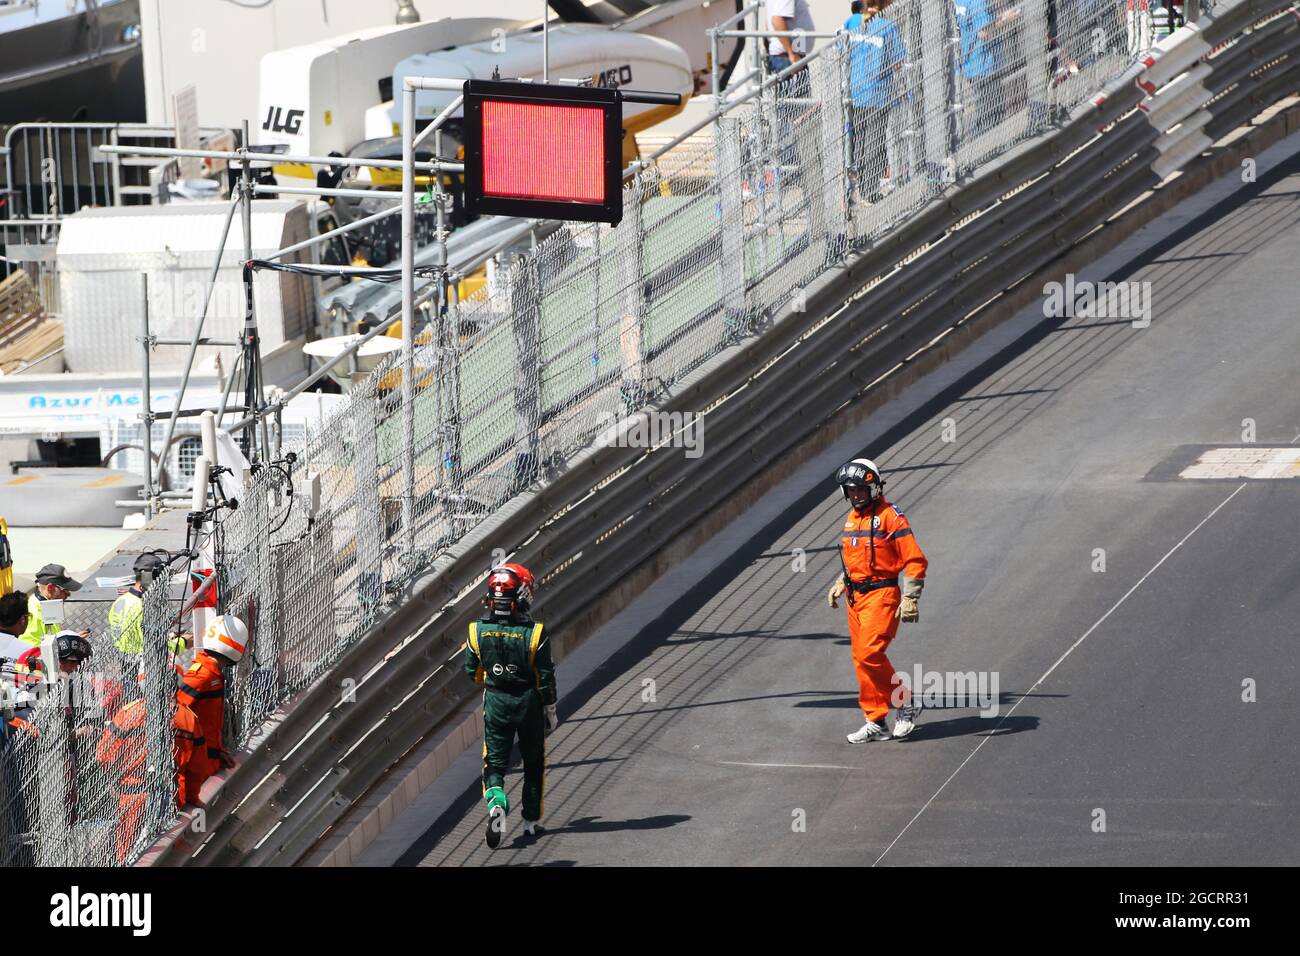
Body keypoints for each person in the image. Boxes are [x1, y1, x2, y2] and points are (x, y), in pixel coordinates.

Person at [827, 458, 928, 742]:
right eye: (851, 490)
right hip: (855, 598)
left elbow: (915, 559)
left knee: (870, 654)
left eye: (861, 489)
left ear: (874, 488)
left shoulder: (890, 516)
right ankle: (876, 721)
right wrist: (839, 581)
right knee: (861, 660)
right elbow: (854, 559)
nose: (856, 495)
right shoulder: (851, 519)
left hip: (881, 596)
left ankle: (906, 702)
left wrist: (910, 596)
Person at [464, 564, 558, 849]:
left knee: (493, 762)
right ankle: (530, 821)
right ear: (520, 597)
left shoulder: (475, 631)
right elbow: (545, 678)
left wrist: (495, 678)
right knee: (533, 760)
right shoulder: (535, 633)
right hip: (528, 702)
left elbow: (473, 673)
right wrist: (551, 711)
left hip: (495, 700)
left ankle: (497, 800)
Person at [95, 671, 203, 863]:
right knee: (172, 853)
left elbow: (103, 755)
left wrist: (112, 781)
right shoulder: (187, 716)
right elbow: (197, 767)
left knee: (128, 854)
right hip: (175, 794)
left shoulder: (129, 713)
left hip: (132, 793)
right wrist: (192, 798)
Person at [844, 0, 908, 203]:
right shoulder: (888, 27)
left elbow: (841, 52)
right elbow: (898, 62)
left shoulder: (851, 23)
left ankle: (858, 187)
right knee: (875, 142)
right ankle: (870, 191)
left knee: (859, 142)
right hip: (879, 94)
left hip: (856, 91)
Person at [176, 614, 246, 798]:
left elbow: (209, 720)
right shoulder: (203, 675)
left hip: (207, 758)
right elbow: (179, 712)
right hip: (196, 764)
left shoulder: (211, 673)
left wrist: (219, 750)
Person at [954, 0, 1022, 140]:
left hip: (970, 63)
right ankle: (986, 149)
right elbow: (984, 31)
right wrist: (1005, 18)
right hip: (985, 63)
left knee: (984, 113)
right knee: (991, 117)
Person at [18, 564, 83, 647]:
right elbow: (31, 652)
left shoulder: (48, 606)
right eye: (65, 590)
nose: (68, 595)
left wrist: (70, 640)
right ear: (50, 588)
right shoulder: (33, 613)